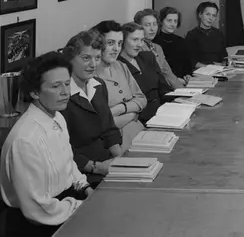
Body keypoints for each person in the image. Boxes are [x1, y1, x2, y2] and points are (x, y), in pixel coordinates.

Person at [0, 52, 93, 237]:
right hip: (38, 224)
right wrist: (80, 207)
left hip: (66, 203)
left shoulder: (57, 117)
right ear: (35, 92)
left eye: (67, 84)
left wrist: (85, 188)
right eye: (56, 86)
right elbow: (37, 210)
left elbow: (68, 163)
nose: (65, 92)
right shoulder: (25, 140)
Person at [60, 31, 123, 187]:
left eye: (97, 58)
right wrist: (97, 167)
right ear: (70, 60)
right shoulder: (61, 96)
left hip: (106, 163)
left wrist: (121, 160)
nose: (93, 64)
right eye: (86, 58)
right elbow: (62, 150)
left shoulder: (99, 85)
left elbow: (109, 129)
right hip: (80, 173)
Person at [92, 20, 147, 151]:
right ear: (98, 44)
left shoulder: (121, 66)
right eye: (110, 43)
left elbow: (141, 99)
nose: (116, 49)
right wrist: (131, 114)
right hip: (114, 144)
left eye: (120, 43)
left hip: (139, 132)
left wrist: (120, 109)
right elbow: (99, 124)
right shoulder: (90, 74)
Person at [119, 22, 172, 123]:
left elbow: (164, 87)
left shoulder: (148, 57)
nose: (139, 44)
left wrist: (176, 103)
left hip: (163, 111)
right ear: (123, 41)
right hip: (140, 118)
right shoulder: (118, 66)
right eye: (135, 40)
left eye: (142, 40)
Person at [134, 9, 185, 88]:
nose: (152, 29)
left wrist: (183, 91)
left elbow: (169, 74)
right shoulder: (136, 49)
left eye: (154, 24)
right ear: (138, 27)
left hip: (164, 89)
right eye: (147, 25)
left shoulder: (157, 48)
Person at [154, 6, 194, 78]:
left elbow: (187, 64)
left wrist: (188, 75)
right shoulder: (154, 42)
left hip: (183, 81)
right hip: (164, 81)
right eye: (169, 21)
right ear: (161, 21)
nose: (173, 24)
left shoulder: (182, 41)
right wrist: (175, 80)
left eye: (175, 21)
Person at [184, 1, 227, 66]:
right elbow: (191, 60)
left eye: (214, 15)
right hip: (201, 69)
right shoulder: (192, 35)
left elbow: (224, 56)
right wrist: (209, 67)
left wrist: (223, 64)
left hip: (219, 68)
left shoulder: (219, 33)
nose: (210, 18)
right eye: (208, 14)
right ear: (200, 15)